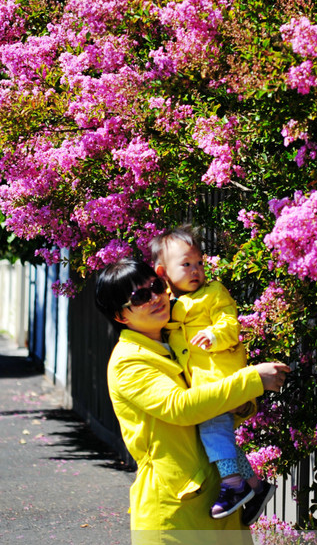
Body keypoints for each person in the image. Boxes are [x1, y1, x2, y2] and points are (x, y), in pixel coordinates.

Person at [95, 257, 290, 545]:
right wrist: (251, 381)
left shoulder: (177, 342)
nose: (156, 297)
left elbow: (209, 407)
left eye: (157, 286)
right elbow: (181, 407)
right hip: (175, 512)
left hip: (221, 502)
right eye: (140, 296)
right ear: (121, 316)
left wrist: (242, 404)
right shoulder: (129, 361)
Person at [149, 225, 277, 526]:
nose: (196, 270)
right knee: (218, 436)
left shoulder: (213, 293)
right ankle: (257, 488)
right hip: (201, 381)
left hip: (219, 378)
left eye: (199, 264)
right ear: (163, 272)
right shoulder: (168, 302)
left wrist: (214, 335)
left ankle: (233, 485)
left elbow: (231, 325)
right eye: (186, 264)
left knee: (211, 431)